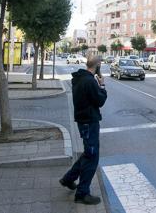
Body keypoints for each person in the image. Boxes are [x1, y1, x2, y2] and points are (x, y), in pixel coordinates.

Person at [59, 56, 107, 205]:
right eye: (100, 66)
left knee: (88, 153)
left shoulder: (80, 78)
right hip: (89, 122)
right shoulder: (89, 81)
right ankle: (82, 193)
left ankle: (68, 179)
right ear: (97, 66)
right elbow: (100, 101)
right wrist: (102, 86)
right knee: (92, 157)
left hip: (83, 121)